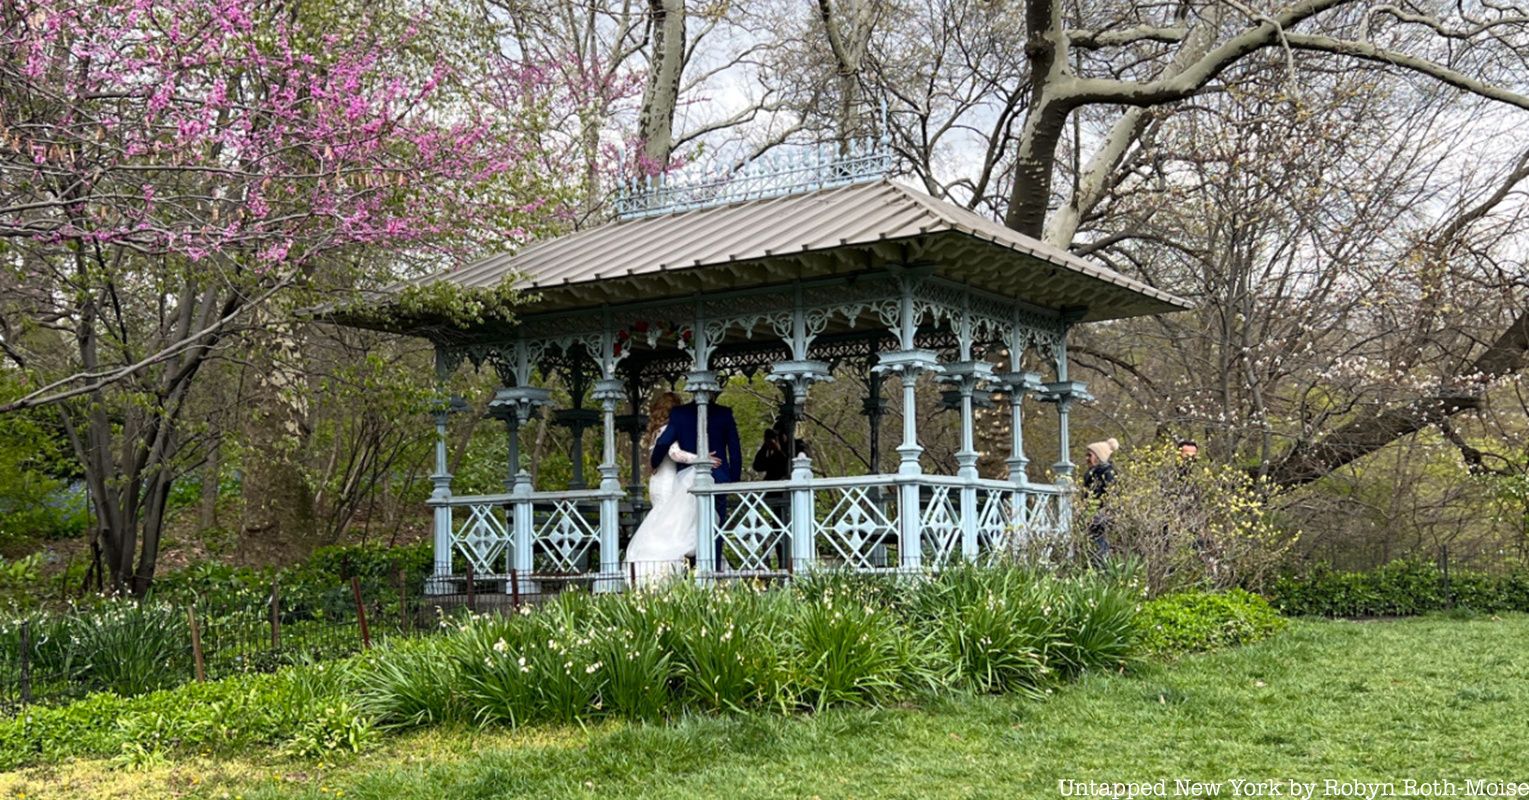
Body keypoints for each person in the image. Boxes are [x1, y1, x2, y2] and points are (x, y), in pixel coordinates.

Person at [623, 392, 722, 586]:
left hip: (658, 481)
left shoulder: (656, 431)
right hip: (668, 482)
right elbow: (674, 453)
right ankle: (665, 572)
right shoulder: (668, 428)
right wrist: (701, 458)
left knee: (664, 522)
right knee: (672, 524)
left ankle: (661, 570)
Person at [648, 393, 743, 568]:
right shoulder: (724, 413)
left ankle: (691, 569)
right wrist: (732, 480)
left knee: (686, 526)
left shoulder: (679, 413)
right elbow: (735, 451)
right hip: (718, 478)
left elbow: (663, 443)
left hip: (686, 481)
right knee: (715, 527)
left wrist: (654, 462)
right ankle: (712, 569)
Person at [1081, 437, 1119, 566]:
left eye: (1090, 455)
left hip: (1100, 517)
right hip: (1091, 515)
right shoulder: (1092, 473)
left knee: (1100, 545)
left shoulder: (1108, 473)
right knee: (1093, 546)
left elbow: (1112, 496)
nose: (1087, 458)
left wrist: (1101, 514)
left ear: (1099, 456)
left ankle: (1103, 571)